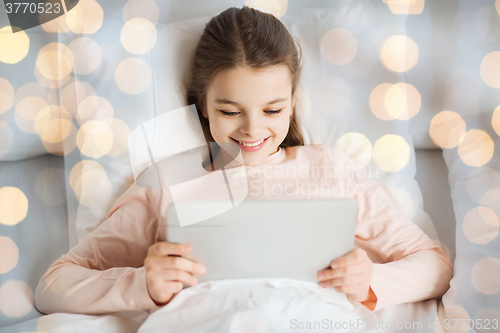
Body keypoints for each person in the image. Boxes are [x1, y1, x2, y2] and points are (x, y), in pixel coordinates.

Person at [35, 6, 453, 316]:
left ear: (292, 102)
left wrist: (370, 283)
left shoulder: (328, 169)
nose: (253, 131)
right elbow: (54, 285)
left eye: (272, 110)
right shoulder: (166, 181)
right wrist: (142, 283)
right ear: (203, 106)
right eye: (231, 112)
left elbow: (434, 264)